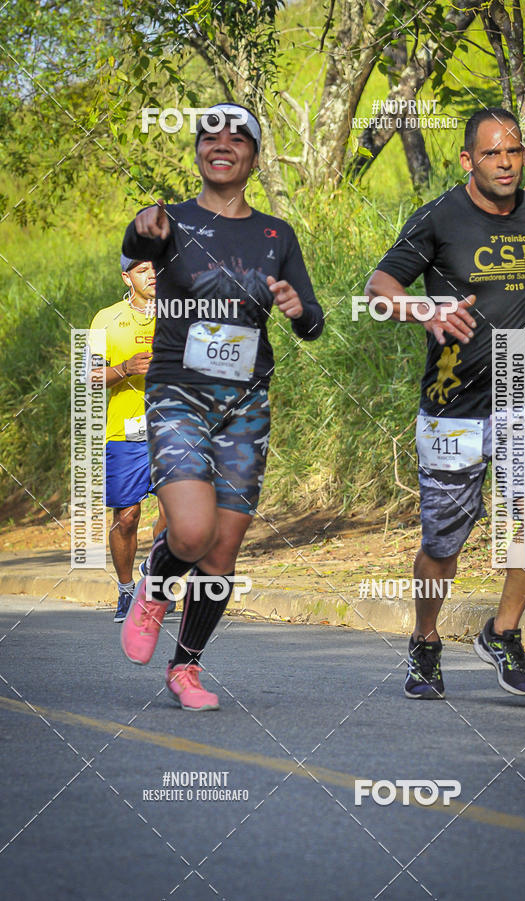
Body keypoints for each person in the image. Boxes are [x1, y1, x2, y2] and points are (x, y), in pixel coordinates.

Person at [365, 107, 525, 699]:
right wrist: (425, 309)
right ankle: (426, 641)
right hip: (451, 402)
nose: (507, 164)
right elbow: (380, 290)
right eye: (493, 154)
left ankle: (503, 631)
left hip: (524, 389)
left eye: (514, 153)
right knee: (443, 544)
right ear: (468, 160)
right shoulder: (440, 217)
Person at [120, 102, 324, 710]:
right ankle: (153, 588)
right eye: (211, 135)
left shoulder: (276, 235)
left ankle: (185, 669)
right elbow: (137, 239)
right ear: (199, 153)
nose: (223, 143)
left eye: (239, 137)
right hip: (179, 391)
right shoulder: (172, 221)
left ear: (254, 158)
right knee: (189, 529)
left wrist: (294, 307)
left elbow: (313, 323)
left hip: (246, 404)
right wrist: (141, 228)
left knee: (222, 550)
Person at [88, 257, 167, 622]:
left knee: (177, 515)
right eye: (141, 270)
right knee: (128, 516)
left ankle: (153, 575)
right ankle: (125, 591)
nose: (151, 274)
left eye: (155, 267)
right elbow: (88, 376)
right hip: (125, 430)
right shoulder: (106, 318)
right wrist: (124, 369)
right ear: (126, 276)